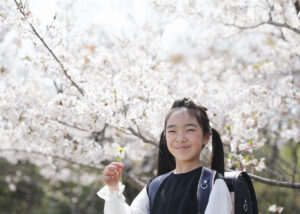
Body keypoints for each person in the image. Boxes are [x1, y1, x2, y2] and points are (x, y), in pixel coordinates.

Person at [97, 98, 232, 214]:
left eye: (189, 130)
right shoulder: (154, 186)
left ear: (206, 137)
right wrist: (113, 189)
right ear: (165, 136)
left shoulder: (213, 184)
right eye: (172, 131)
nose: (180, 138)